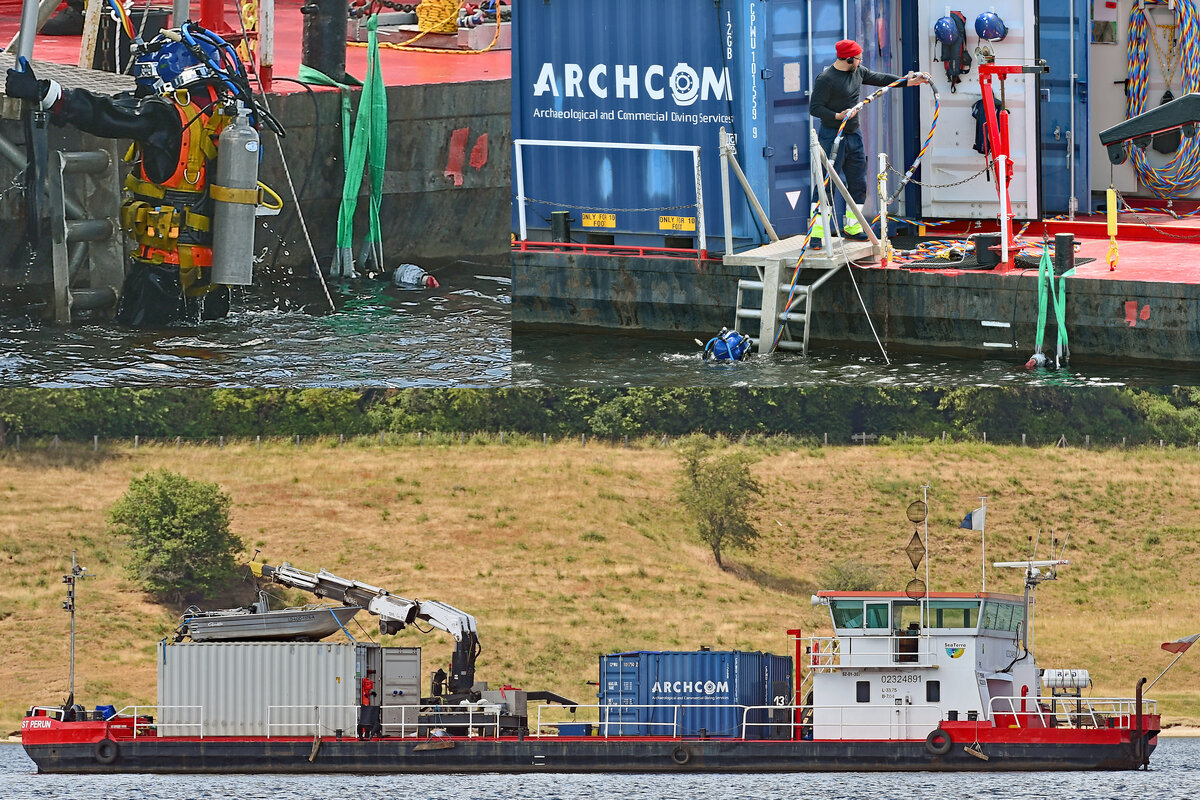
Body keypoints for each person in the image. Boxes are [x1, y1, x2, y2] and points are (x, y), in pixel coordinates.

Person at [4, 23, 283, 326]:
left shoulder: (165, 115)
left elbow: (108, 114)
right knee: (205, 349)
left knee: (143, 350)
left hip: (162, 273)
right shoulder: (228, 115)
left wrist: (47, 94)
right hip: (213, 275)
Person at [808, 39, 926, 241]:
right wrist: (838, 115)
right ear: (848, 59)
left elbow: (880, 78)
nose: (861, 61)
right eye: (858, 58)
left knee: (858, 183)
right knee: (826, 184)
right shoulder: (826, 79)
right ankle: (817, 235)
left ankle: (852, 228)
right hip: (832, 136)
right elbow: (815, 108)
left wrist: (909, 81)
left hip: (854, 135)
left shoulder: (857, 71)